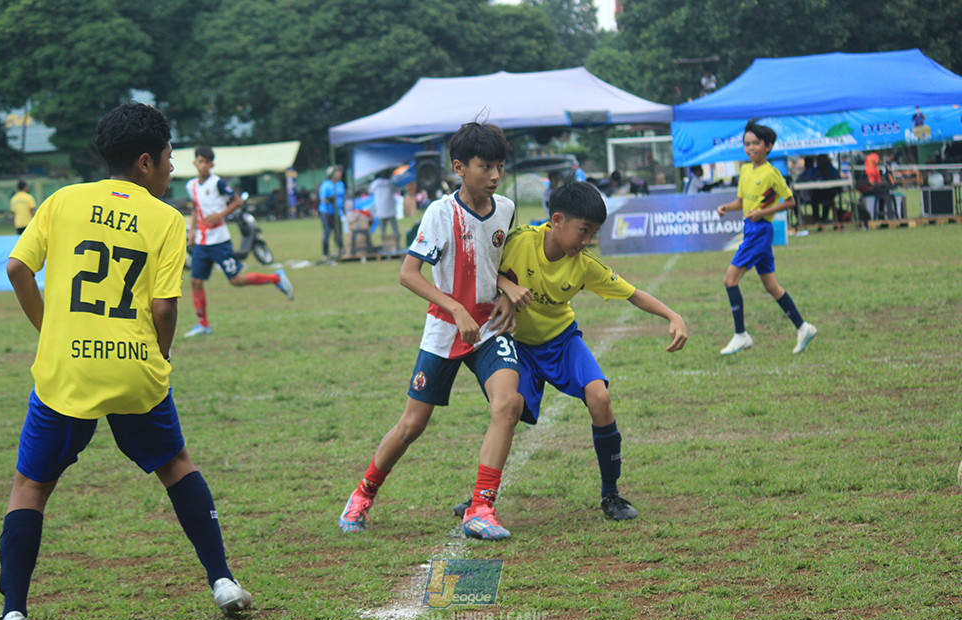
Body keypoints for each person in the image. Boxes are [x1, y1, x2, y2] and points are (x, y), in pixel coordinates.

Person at [0, 102, 252, 620]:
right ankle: (222, 580)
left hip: (67, 369)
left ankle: (14, 613)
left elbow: (16, 268)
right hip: (134, 365)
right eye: (169, 158)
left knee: (30, 487)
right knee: (176, 465)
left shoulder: (62, 200)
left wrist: (50, 332)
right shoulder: (164, 218)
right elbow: (163, 308)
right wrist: (161, 354)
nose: (173, 168)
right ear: (144, 162)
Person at [454, 181, 688, 522]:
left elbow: (633, 293)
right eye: (584, 231)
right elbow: (484, 269)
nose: (587, 241)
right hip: (517, 347)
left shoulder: (583, 264)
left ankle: (612, 494)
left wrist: (672, 315)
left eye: (593, 233)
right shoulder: (519, 241)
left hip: (562, 341)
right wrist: (506, 285)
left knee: (600, 397)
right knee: (509, 409)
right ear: (557, 220)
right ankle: (481, 498)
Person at [338, 122, 524, 541]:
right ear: (460, 167)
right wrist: (456, 308)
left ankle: (481, 508)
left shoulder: (507, 209)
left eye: (499, 166)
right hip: (445, 331)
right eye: (485, 166)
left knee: (508, 403)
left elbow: (499, 264)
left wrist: (508, 289)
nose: (495, 175)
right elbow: (408, 274)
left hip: (490, 330)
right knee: (411, 425)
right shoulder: (441, 213)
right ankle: (363, 493)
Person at [716, 121, 817, 356]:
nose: (750, 148)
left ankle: (741, 335)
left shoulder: (771, 173)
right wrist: (726, 208)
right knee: (771, 286)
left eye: (755, 144)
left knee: (730, 280)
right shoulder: (744, 170)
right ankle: (803, 327)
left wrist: (762, 212)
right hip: (751, 229)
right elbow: (741, 203)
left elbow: (791, 201)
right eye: (746, 144)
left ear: (768, 146)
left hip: (760, 231)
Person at [184, 146, 293, 337]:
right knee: (195, 281)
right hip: (202, 241)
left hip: (219, 240)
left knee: (236, 280)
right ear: (195, 163)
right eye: (199, 161)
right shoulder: (191, 185)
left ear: (211, 164)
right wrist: (192, 231)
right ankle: (203, 324)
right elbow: (195, 208)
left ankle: (276, 279)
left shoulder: (217, 183)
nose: (202, 165)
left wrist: (220, 215)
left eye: (205, 162)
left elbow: (237, 201)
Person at [318, 165, 345, 262]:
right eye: (337, 172)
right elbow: (323, 199)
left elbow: (343, 198)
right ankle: (326, 253)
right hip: (327, 212)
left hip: (337, 212)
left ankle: (341, 250)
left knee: (338, 233)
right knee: (327, 232)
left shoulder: (341, 184)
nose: (339, 174)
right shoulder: (326, 185)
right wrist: (330, 199)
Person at [368, 168, 399, 247]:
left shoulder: (374, 183)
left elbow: (370, 191)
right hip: (390, 209)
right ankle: (397, 245)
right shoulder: (390, 183)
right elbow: (395, 190)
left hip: (380, 209)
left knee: (382, 231)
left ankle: (384, 246)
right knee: (395, 230)